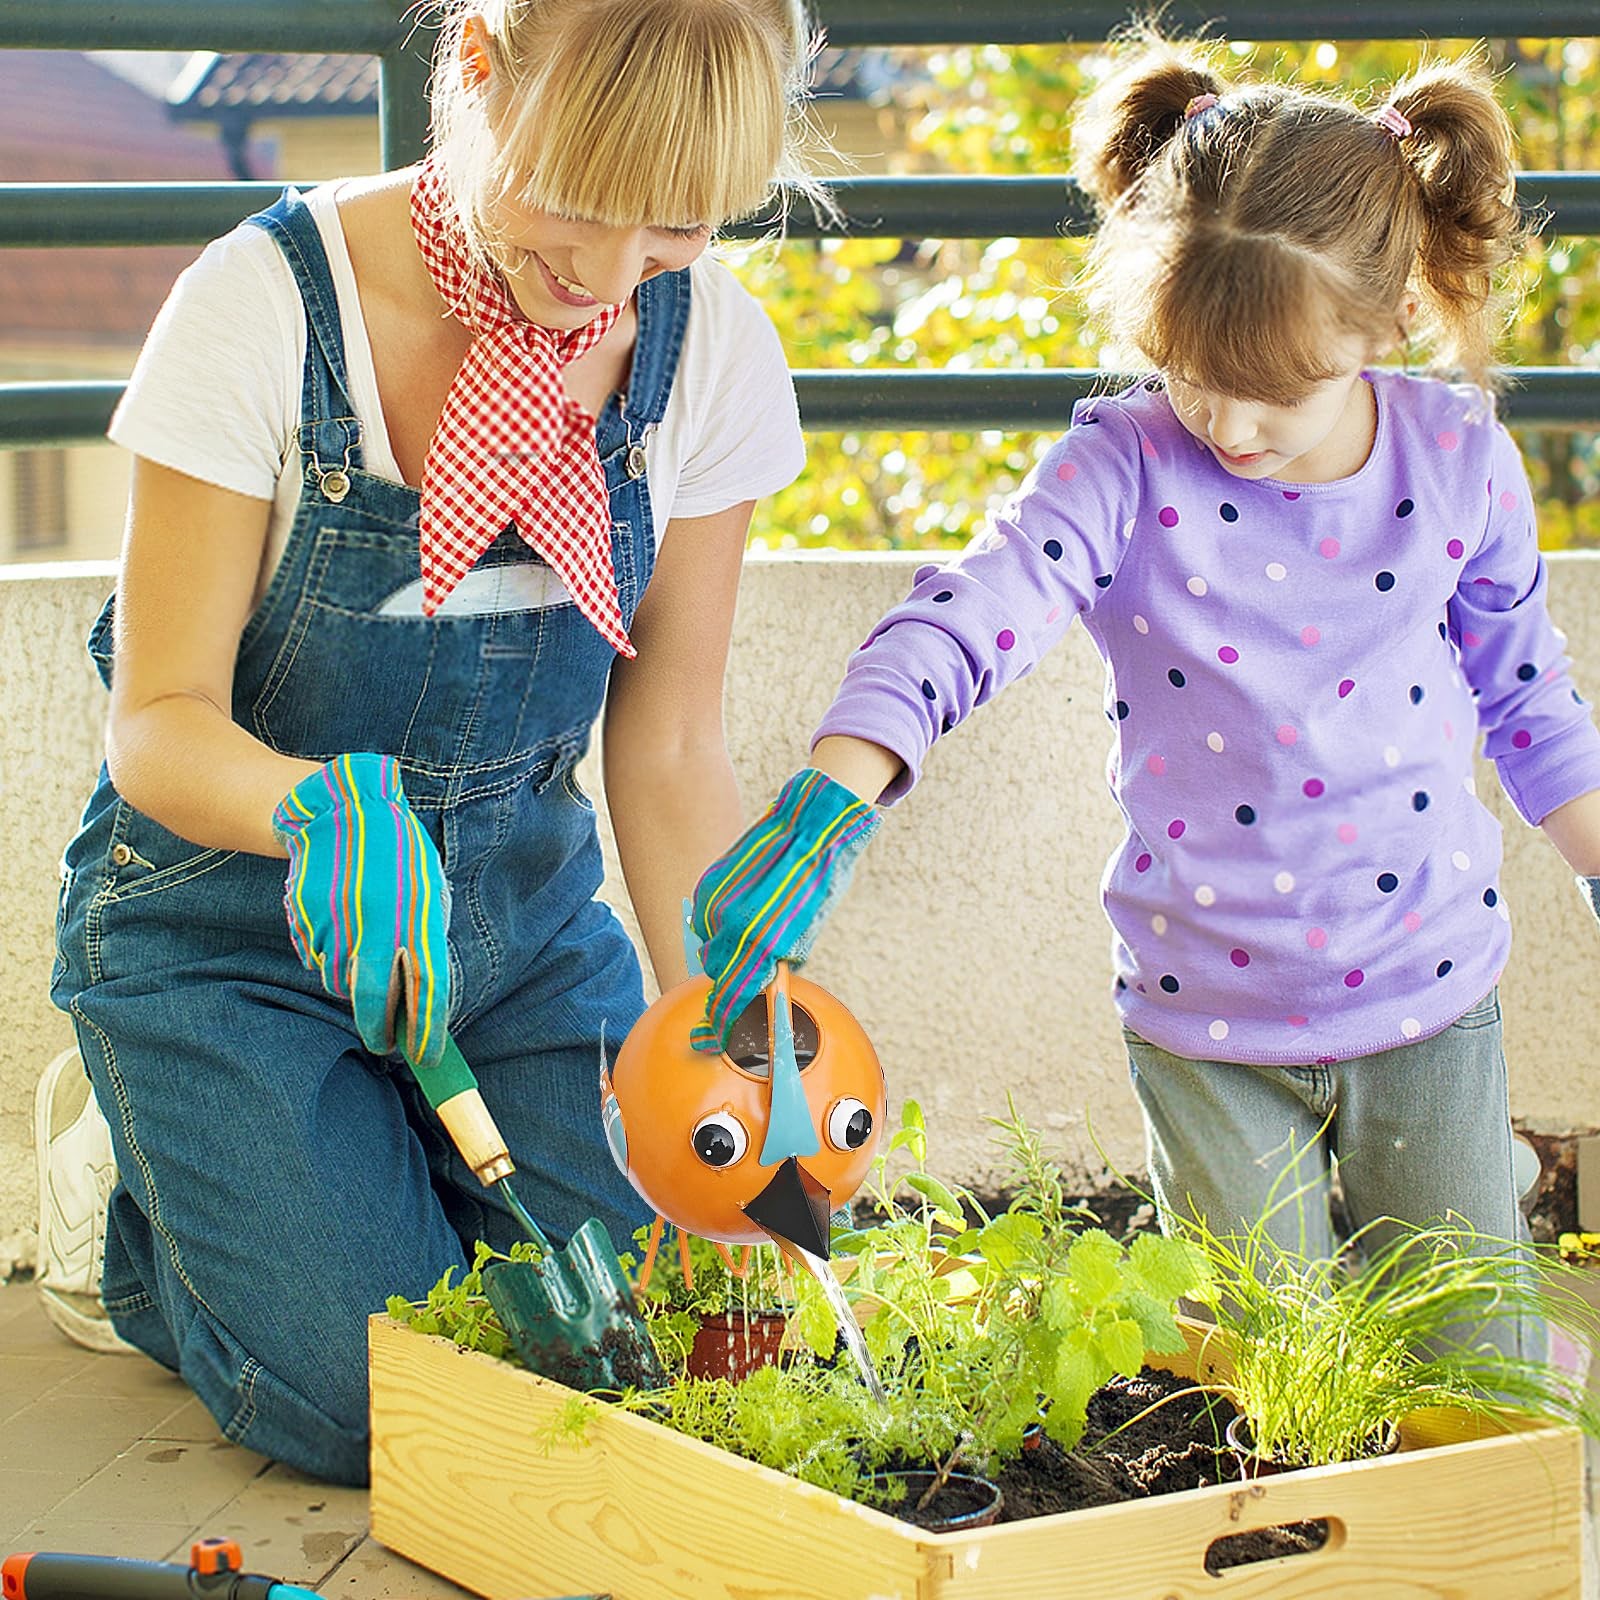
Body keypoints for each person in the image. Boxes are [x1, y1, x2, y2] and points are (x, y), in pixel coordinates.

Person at [690, 34, 1600, 1342]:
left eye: (1273, 392)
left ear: (1388, 321)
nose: (1226, 426)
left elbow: (1529, 703)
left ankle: (1487, 1246)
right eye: (1191, 374)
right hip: (1206, 1019)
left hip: (1429, 994)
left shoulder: (1457, 463)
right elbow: (977, 607)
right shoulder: (1126, 465)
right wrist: (838, 786)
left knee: (1472, 1362)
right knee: (1269, 1365)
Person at [41, 0, 821, 1485]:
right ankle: (126, 1208)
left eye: (674, 228)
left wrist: (725, 1042)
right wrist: (313, 811)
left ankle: (360, 1163)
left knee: (667, 1345)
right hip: (232, 935)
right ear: (476, 73)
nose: (609, 278)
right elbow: (156, 724)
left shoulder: (709, 347)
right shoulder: (265, 304)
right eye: (578, 202)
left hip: (519, 939)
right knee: (376, 1408)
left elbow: (667, 746)